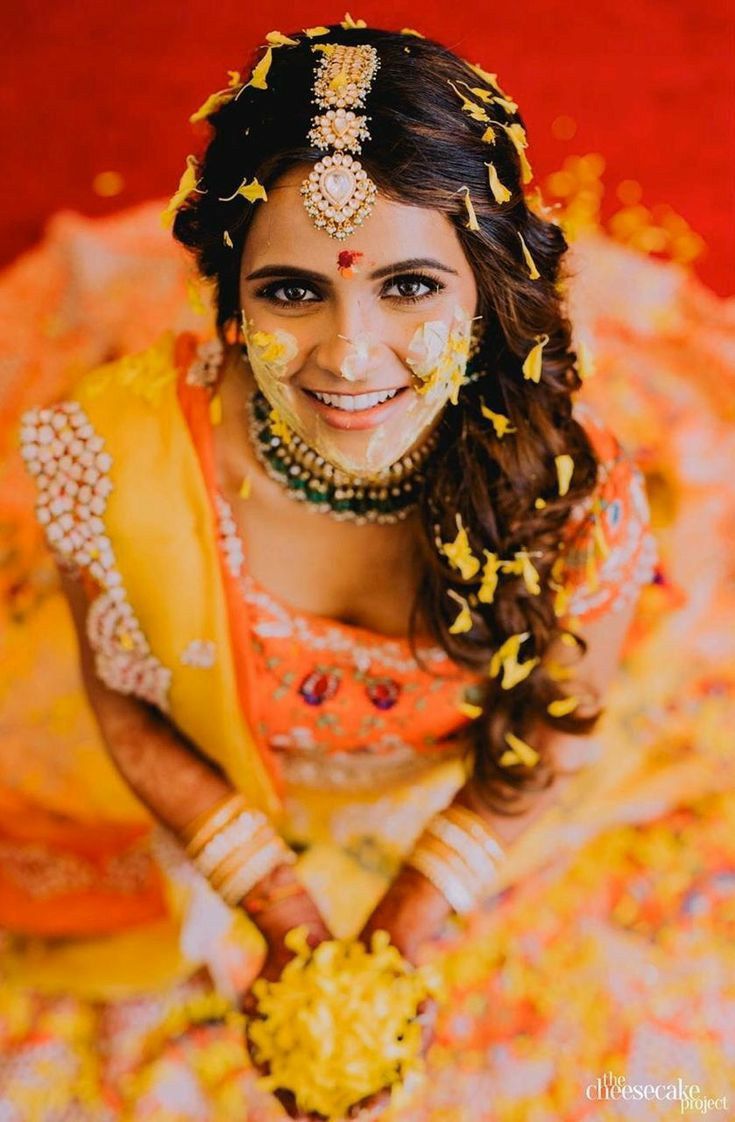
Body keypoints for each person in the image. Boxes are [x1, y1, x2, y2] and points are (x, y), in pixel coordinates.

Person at [4, 20, 733, 1122]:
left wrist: (411, 914)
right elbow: (126, 699)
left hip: (430, 806)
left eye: (408, 288)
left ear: (489, 289)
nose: (350, 356)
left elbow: (555, 731)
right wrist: (281, 905)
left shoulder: (570, 511)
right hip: (224, 789)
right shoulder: (122, 467)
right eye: (293, 292)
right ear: (231, 300)